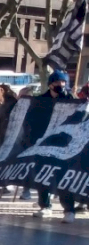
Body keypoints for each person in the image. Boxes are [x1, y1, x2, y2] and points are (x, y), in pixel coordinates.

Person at [30, 70, 77, 223]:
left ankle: (69, 210)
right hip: (43, 144)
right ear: (50, 84)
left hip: (63, 145)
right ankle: (45, 206)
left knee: (63, 177)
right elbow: (32, 121)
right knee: (42, 175)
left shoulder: (71, 99)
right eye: (57, 82)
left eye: (63, 82)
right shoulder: (40, 100)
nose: (60, 85)